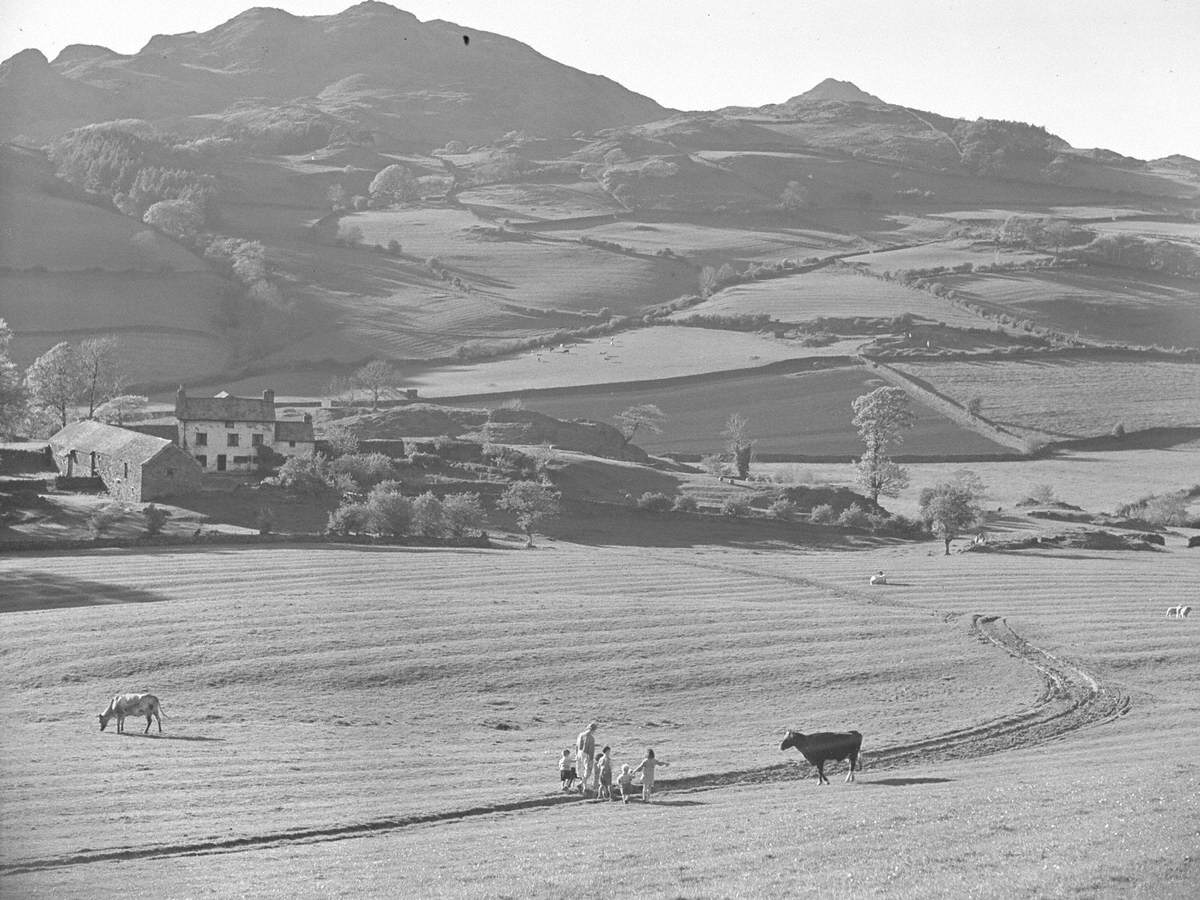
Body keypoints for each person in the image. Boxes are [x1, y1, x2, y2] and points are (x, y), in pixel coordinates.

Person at [575, 722, 598, 795]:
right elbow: (591, 749)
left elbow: (576, 746)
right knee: (588, 771)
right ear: (593, 730)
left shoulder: (580, 735)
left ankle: (584, 787)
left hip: (579, 753)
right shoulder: (591, 738)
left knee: (581, 771)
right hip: (586, 754)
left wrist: (576, 754)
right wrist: (591, 758)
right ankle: (582, 784)